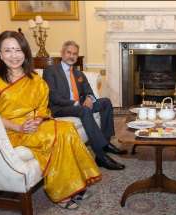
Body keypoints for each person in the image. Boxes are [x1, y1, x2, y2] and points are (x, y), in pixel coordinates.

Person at [0, 31, 102, 210]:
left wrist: (38, 120)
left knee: (67, 128)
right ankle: (62, 193)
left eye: (18, 50)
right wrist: (19, 126)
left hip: (36, 124)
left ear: (25, 52)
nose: (14, 56)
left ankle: (75, 184)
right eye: (8, 51)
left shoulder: (34, 78)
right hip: (10, 130)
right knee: (57, 135)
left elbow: (43, 107)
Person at [43, 41, 127, 171]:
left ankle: (106, 142)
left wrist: (89, 98)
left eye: (75, 54)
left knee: (105, 102)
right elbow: (53, 96)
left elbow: (89, 91)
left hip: (80, 105)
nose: (72, 56)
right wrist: (76, 103)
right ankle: (101, 156)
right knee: (84, 110)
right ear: (62, 53)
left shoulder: (79, 74)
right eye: (69, 52)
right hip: (60, 108)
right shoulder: (51, 71)